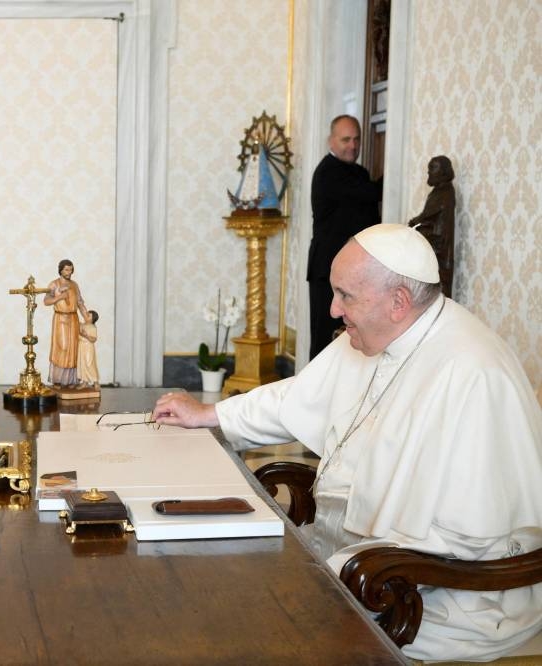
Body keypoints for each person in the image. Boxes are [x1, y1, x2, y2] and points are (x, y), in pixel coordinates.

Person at [153, 223, 542, 662]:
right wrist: (210, 414)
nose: (334, 309)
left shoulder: (473, 372)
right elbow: (295, 398)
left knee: (255, 624)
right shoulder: (378, 333)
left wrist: (344, 569)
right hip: (350, 558)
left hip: (443, 598)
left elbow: (467, 540)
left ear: (398, 302)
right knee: (221, 580)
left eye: (346, 296)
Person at [307, 115, 382, 359]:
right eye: (346, 139)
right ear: (331, 140)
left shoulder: (358, 172)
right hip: (327, 271)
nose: (353, 145)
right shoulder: (328, 172)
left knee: (351, 343)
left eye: (357, 139)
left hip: (355, 271)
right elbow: (370, 193)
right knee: (325, 344)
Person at [408, 155, 456, 297]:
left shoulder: (446, 192)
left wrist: (417, 222)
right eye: (429, 168)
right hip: (433, 242)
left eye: (433, 168)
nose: (429, 172)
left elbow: (432, 214)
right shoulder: (437, 191)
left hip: (439, 245)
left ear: (444, 171)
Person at [43, 259, 88, 387]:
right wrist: (59, 297)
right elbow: (46, 301)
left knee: (73, 348)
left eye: (71, 270)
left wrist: (87, 318)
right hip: (61, 318)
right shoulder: (54, 284)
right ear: (61, 270)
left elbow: (80, 302)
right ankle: (58, 379)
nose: (69, 272)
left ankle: (70, 381)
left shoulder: (74, 285)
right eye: (67, 270)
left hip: (73, 318)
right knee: (62, 347)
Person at [76, 309, 99, 388]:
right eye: (86, 314)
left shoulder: (93, 327)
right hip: (81, 347)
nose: (86, 316)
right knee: (82, 364)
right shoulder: (82, 325)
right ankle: (84, 382)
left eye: (88, 316)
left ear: (93, 319)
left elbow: (94, 339)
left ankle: (96, 382)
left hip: (88, 348)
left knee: (89, 364)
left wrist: (86, 336)